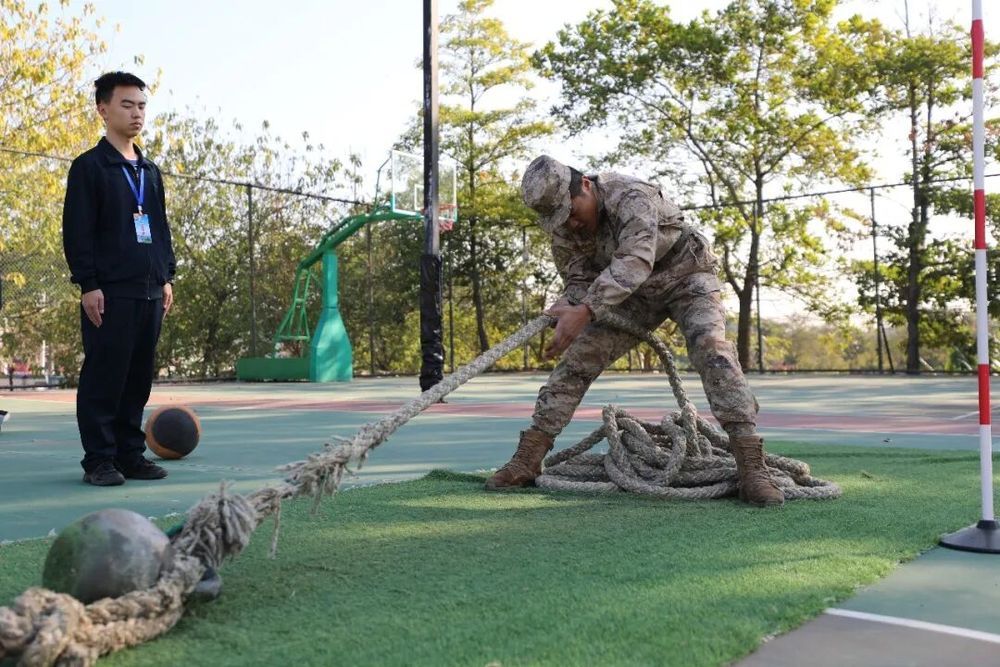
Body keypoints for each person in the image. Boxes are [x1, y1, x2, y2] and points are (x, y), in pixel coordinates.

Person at [485, 155, 783, 507]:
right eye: (558, 220)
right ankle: (528, 457)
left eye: (571, 213)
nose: (570, 225)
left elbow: (636, 260)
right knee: (578, 359)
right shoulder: (564, 228)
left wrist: (586, 309)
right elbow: (579, 279)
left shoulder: (630, 195)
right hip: (630, 294)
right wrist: (567, 306)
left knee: (712, 349)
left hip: (685, 273)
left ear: (584, 186)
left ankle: (751, 466)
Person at [62, 71, 176, 486]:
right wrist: (88, 283)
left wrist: (166, 276)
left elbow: (160, 228)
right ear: (103, 108)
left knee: (138, 376)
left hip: (150, 290)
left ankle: (131, 454)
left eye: (142, 105)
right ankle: (99, 460)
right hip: (109, 293)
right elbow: (77, 231)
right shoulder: (90, 167)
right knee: (104, 376)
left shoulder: (150, 171)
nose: (136, 113)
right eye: (127, 105)